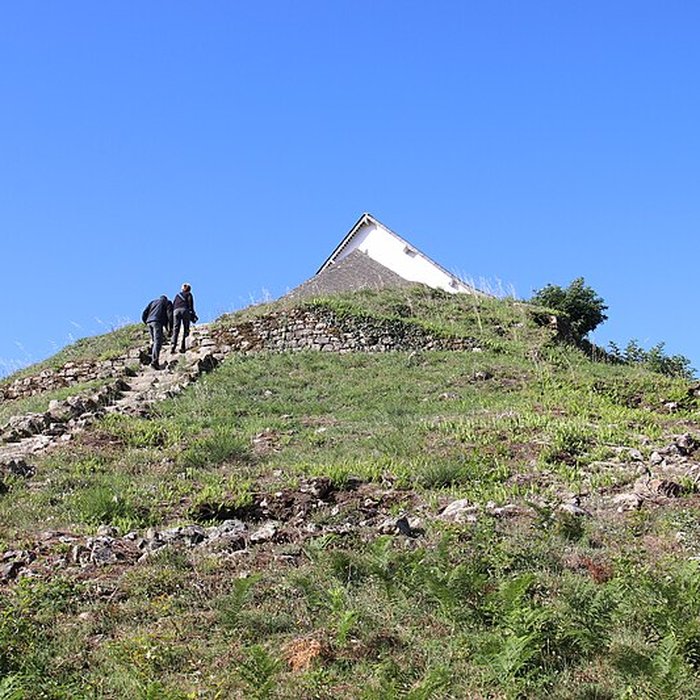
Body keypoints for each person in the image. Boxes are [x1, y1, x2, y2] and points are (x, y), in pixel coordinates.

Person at [142, 295, 173, 369]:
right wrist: (170, 327)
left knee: (154, 341)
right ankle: (154, 362)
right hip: (157, 322)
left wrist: (145, 321)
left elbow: (144, 312)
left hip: (149, 321)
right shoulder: (167, 302)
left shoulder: (153, 302)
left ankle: (152, 358)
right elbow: (170, 315)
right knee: (158, 342)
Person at [171, 283, 198, 353]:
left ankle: (173, 345)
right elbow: (191, 305)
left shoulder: (177, 295)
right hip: (185, 311)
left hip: (176, 311)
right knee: (186, 328)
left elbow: (173, 304)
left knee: (176, 328)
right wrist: (193, 314)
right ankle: (182, 346)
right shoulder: (189, 295)